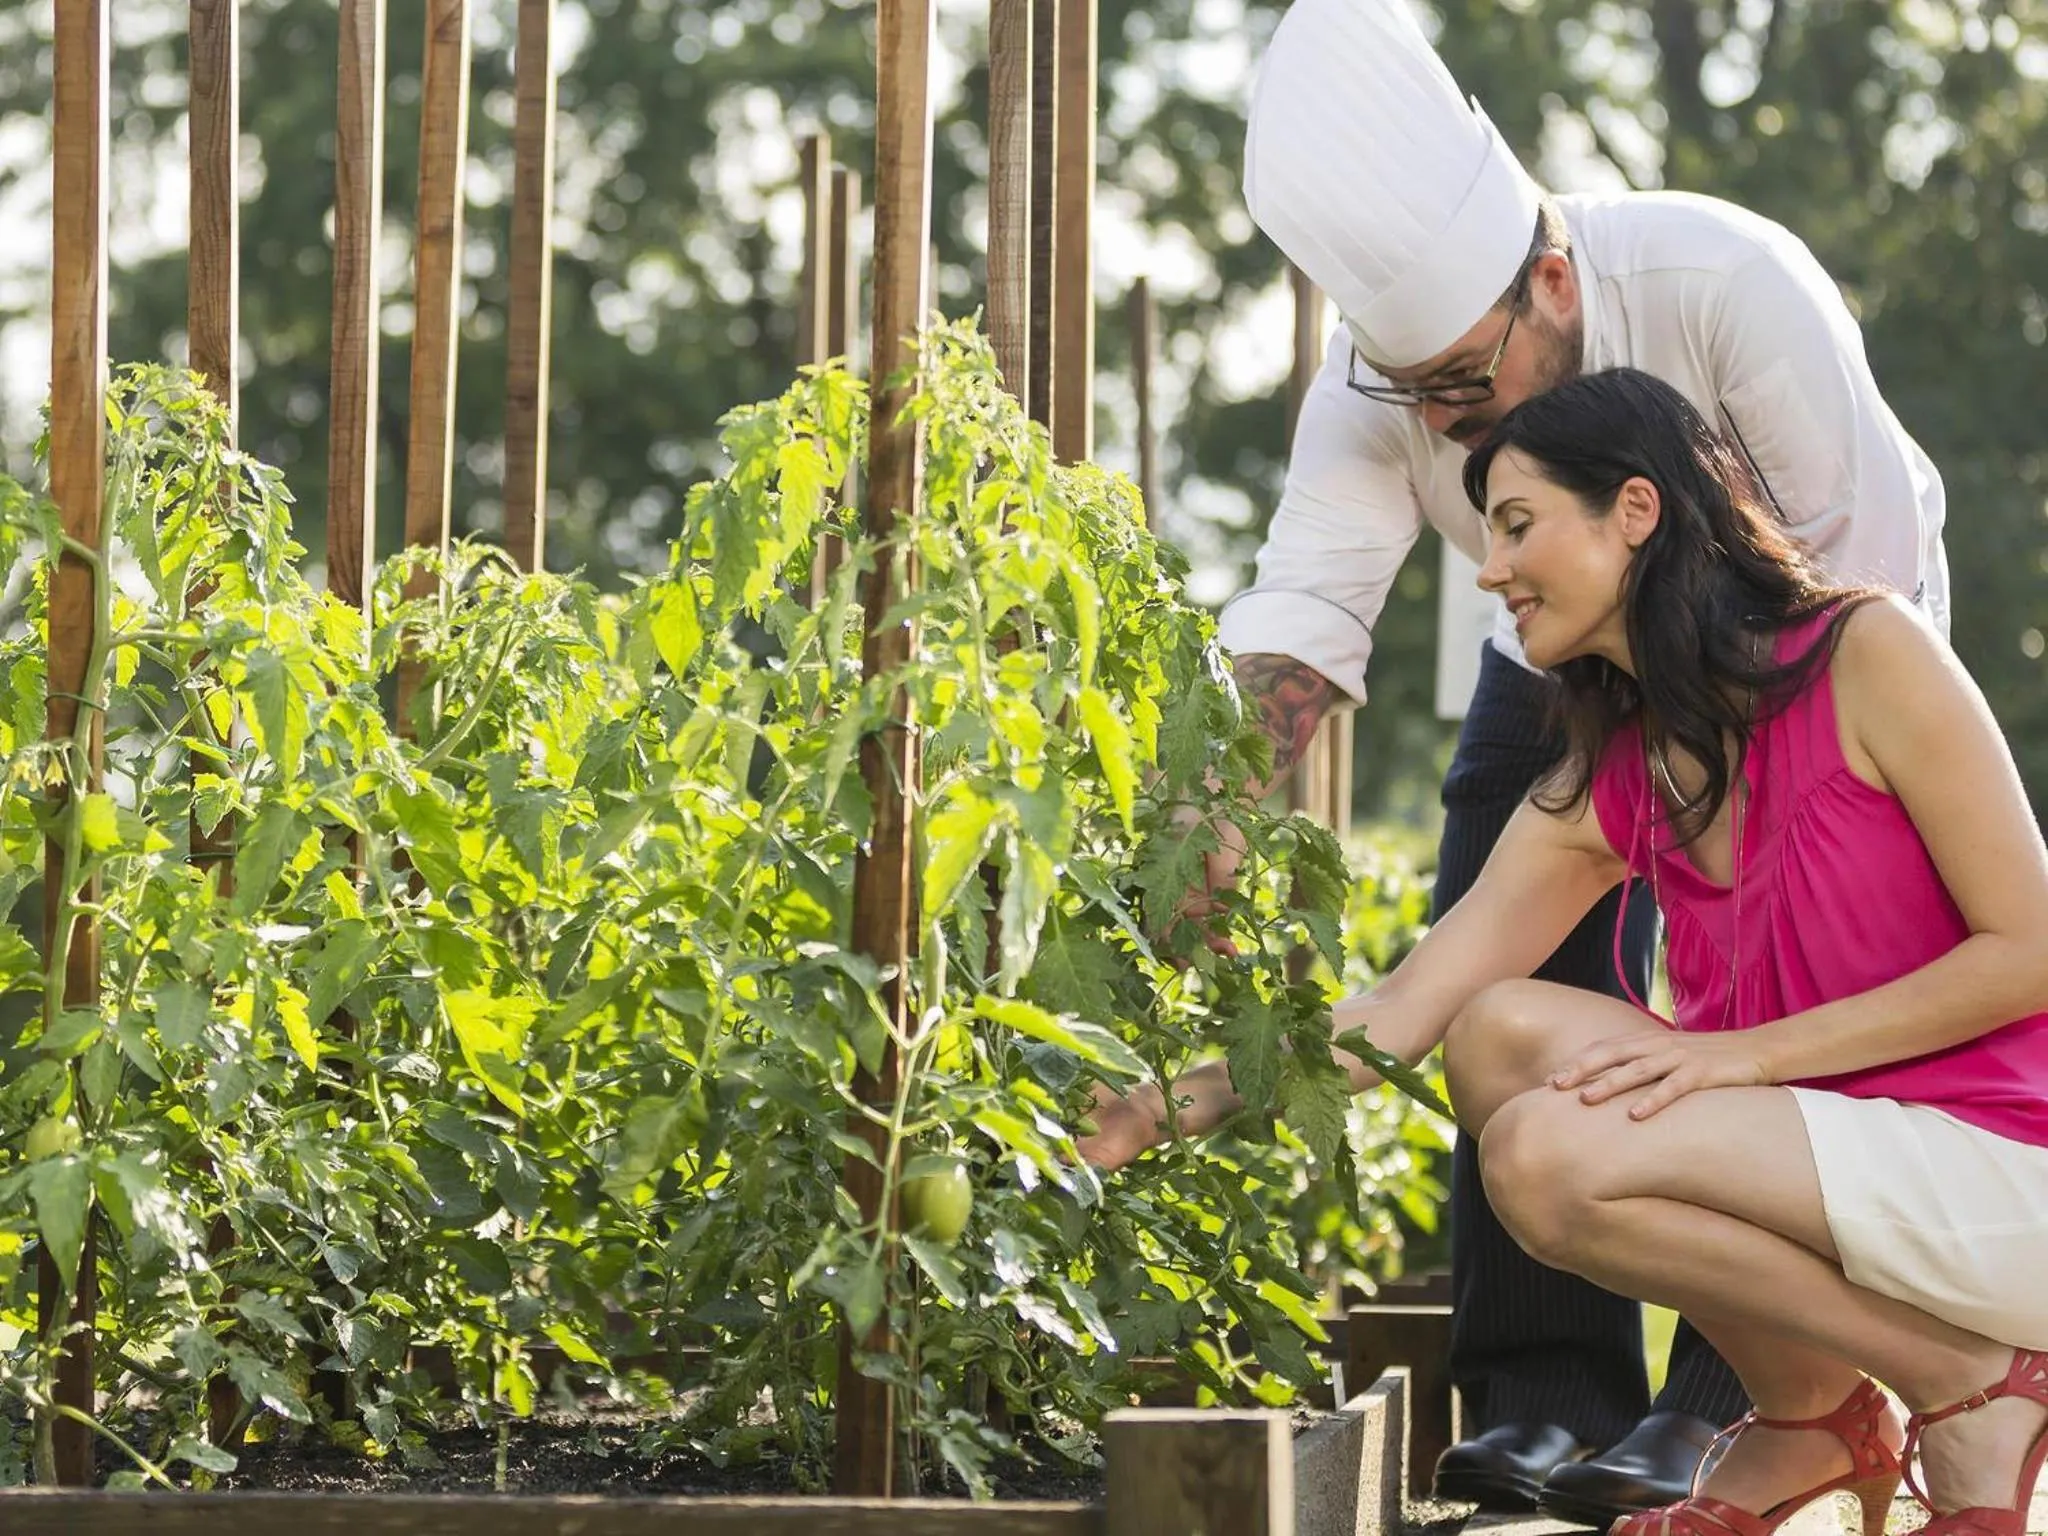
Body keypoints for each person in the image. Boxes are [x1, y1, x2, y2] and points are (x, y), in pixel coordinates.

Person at [1201, 0, 1949, 1517]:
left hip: (1803, 646)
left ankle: (1744, 1400)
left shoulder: (1728, 281)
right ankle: (1545, 1398)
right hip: (1558, 656)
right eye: (1415, 397)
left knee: (1770, 969)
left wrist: (1761, 810)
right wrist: (1211, 811)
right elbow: (1302, 615)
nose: (1443, 424)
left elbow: (1857, 584)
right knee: (1496, 940)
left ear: (1552, 281)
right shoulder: (1387, 382)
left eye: (1467, 385)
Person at [1087, 366, 2048, 1536]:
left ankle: (1968, 1390)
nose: (1488, 569)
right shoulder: (1614, 770)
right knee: (1494, 1036)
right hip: (1824, 1163)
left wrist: (1741, 1058)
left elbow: (2030, 951)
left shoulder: (1862, 651)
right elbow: (1406, 1007)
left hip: (2002, 1168)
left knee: (1546, 1157)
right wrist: (1157, 1107)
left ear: (1632, 512)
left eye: (1515, 525)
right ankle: (1812, 1420)